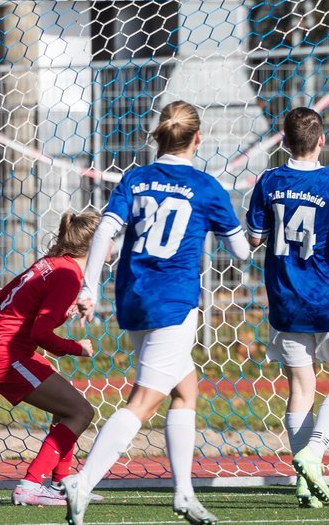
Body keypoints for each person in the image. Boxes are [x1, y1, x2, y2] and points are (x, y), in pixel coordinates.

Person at [63, 101, 254, 525]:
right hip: (174, 303)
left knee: (186, 389)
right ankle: (84, 482)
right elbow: (241, 249)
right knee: (144, 401)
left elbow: (106, 230)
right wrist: (256, 226)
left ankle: (184, 494)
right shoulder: (206, 188)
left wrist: (89, 287)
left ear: (158, 136)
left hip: (133, 297)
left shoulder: (136, 178)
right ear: (198, 138)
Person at [246, 107, 329, 508]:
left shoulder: (268, 181)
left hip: (286, 302)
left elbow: (255, 238)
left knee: (301, 388)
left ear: (284, 142)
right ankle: (315, 453)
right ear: (321, 140)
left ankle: (304, 481)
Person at [0, 211, 101, 507]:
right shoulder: (69, 274)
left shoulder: (52, 263)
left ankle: (60, 485)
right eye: (108, 238)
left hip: (0, 347)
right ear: (94, 245)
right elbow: (41, 333)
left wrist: (59, 306)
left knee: (68, 408)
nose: (112, 245)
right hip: (6, 354)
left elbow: (1, 297)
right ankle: (29, 487)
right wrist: (77, 347)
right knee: (81, 412)